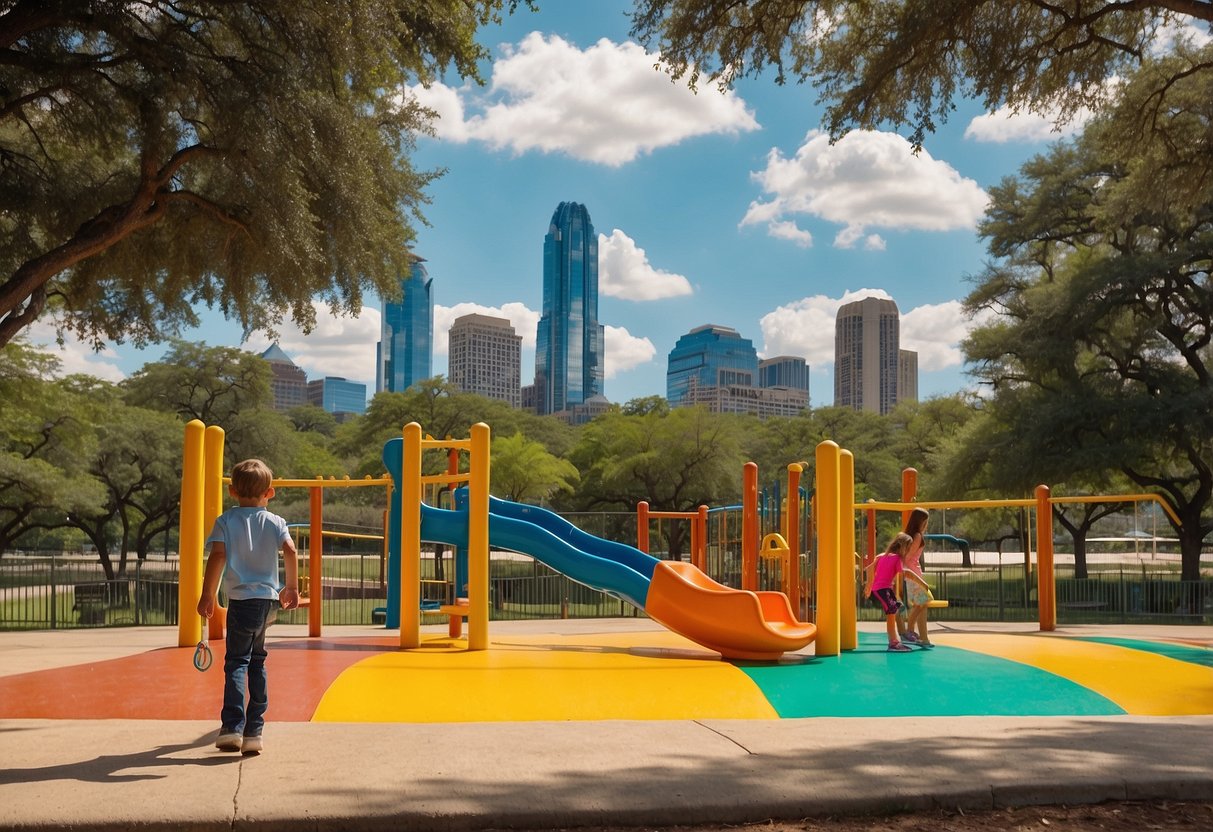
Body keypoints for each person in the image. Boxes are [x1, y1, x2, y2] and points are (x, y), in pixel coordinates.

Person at [197, 458, 299, 754]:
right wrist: (290, 586)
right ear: (270, 492)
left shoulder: (226, 521)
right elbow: (290, 550)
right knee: (257, 660)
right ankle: (254, 730)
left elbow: (217, 558)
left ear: (232, 491)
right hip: (268, 602)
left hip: (241, 602)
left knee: (237, 662)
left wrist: (208, 595)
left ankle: (233, 727)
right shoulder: (277, 522)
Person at [864, 532, 932, 652]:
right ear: (902, 546)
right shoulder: (897, 558)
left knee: (893, 611)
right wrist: (922, 584)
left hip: (883, 589)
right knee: (891, 614)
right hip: (883, 589)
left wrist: (869, 585)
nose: (908, 551)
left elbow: (869, 568)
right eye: (908, 547)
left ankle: (895, 641)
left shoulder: (883, 556)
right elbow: (905, 574)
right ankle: (893, 643)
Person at [900, 508, 934, 649]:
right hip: (913, 575)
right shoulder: (917, 536)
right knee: (925, 602)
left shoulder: (910, 535)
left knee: (922, 605)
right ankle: (910, 625)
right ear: (920, 521)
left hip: (913, 574)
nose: (926, 524)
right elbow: (907, 557)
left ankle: (924, 638)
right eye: (925, 522)